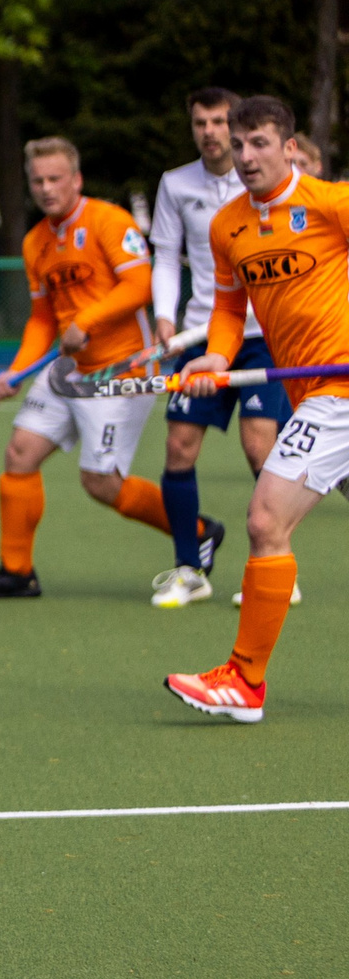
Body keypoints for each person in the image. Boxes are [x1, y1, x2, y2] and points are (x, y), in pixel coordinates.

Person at [165, 96, 349, 722]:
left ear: (290, 147)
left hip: (339, 394)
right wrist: (216, 359)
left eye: (259, 143)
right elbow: (227, 310)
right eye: (238, 145)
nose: (245, 156)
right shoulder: (227, 226)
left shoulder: (331, 205)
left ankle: (244, 681)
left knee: (267, 520)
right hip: (309, 391)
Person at [0, 136, 193, 599]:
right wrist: (16, 371)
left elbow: (139, 285)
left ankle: (198, 531)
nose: (46, 188)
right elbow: (43, 319)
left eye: (55, 179)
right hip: (67, 370)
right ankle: (17, 572)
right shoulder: (36, 243)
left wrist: (86, 322)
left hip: (120, 372)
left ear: (76, 180)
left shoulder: (110, 221)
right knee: (20, 455)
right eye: (37, 181)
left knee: (102, 485)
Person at [148, 88, 259, 608]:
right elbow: (167, 258)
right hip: (203, 334)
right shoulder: (176, 184)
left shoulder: (261, 179)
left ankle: (271, 565)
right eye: (200, 122)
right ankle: (189, 569)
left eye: (219, 121)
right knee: (178, 446)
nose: (210, 131)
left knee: (261, 448)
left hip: (262, 336)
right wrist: (165, 320)